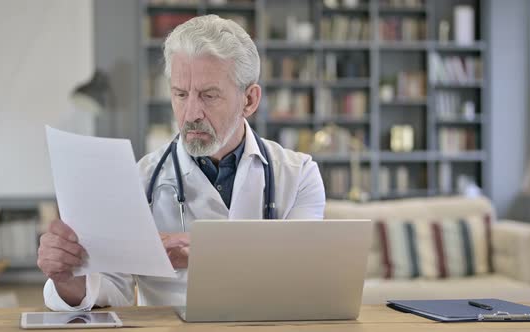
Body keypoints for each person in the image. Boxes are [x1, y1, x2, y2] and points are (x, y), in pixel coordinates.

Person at [38, 14, 325, 311]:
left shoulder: (298, 174)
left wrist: (202, 251)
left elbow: (301, 272)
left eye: (208, 95)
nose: (190, 114)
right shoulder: (139, 180)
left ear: (249, 100)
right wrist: (67, 278)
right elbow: (112, 288)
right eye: (180, 94)